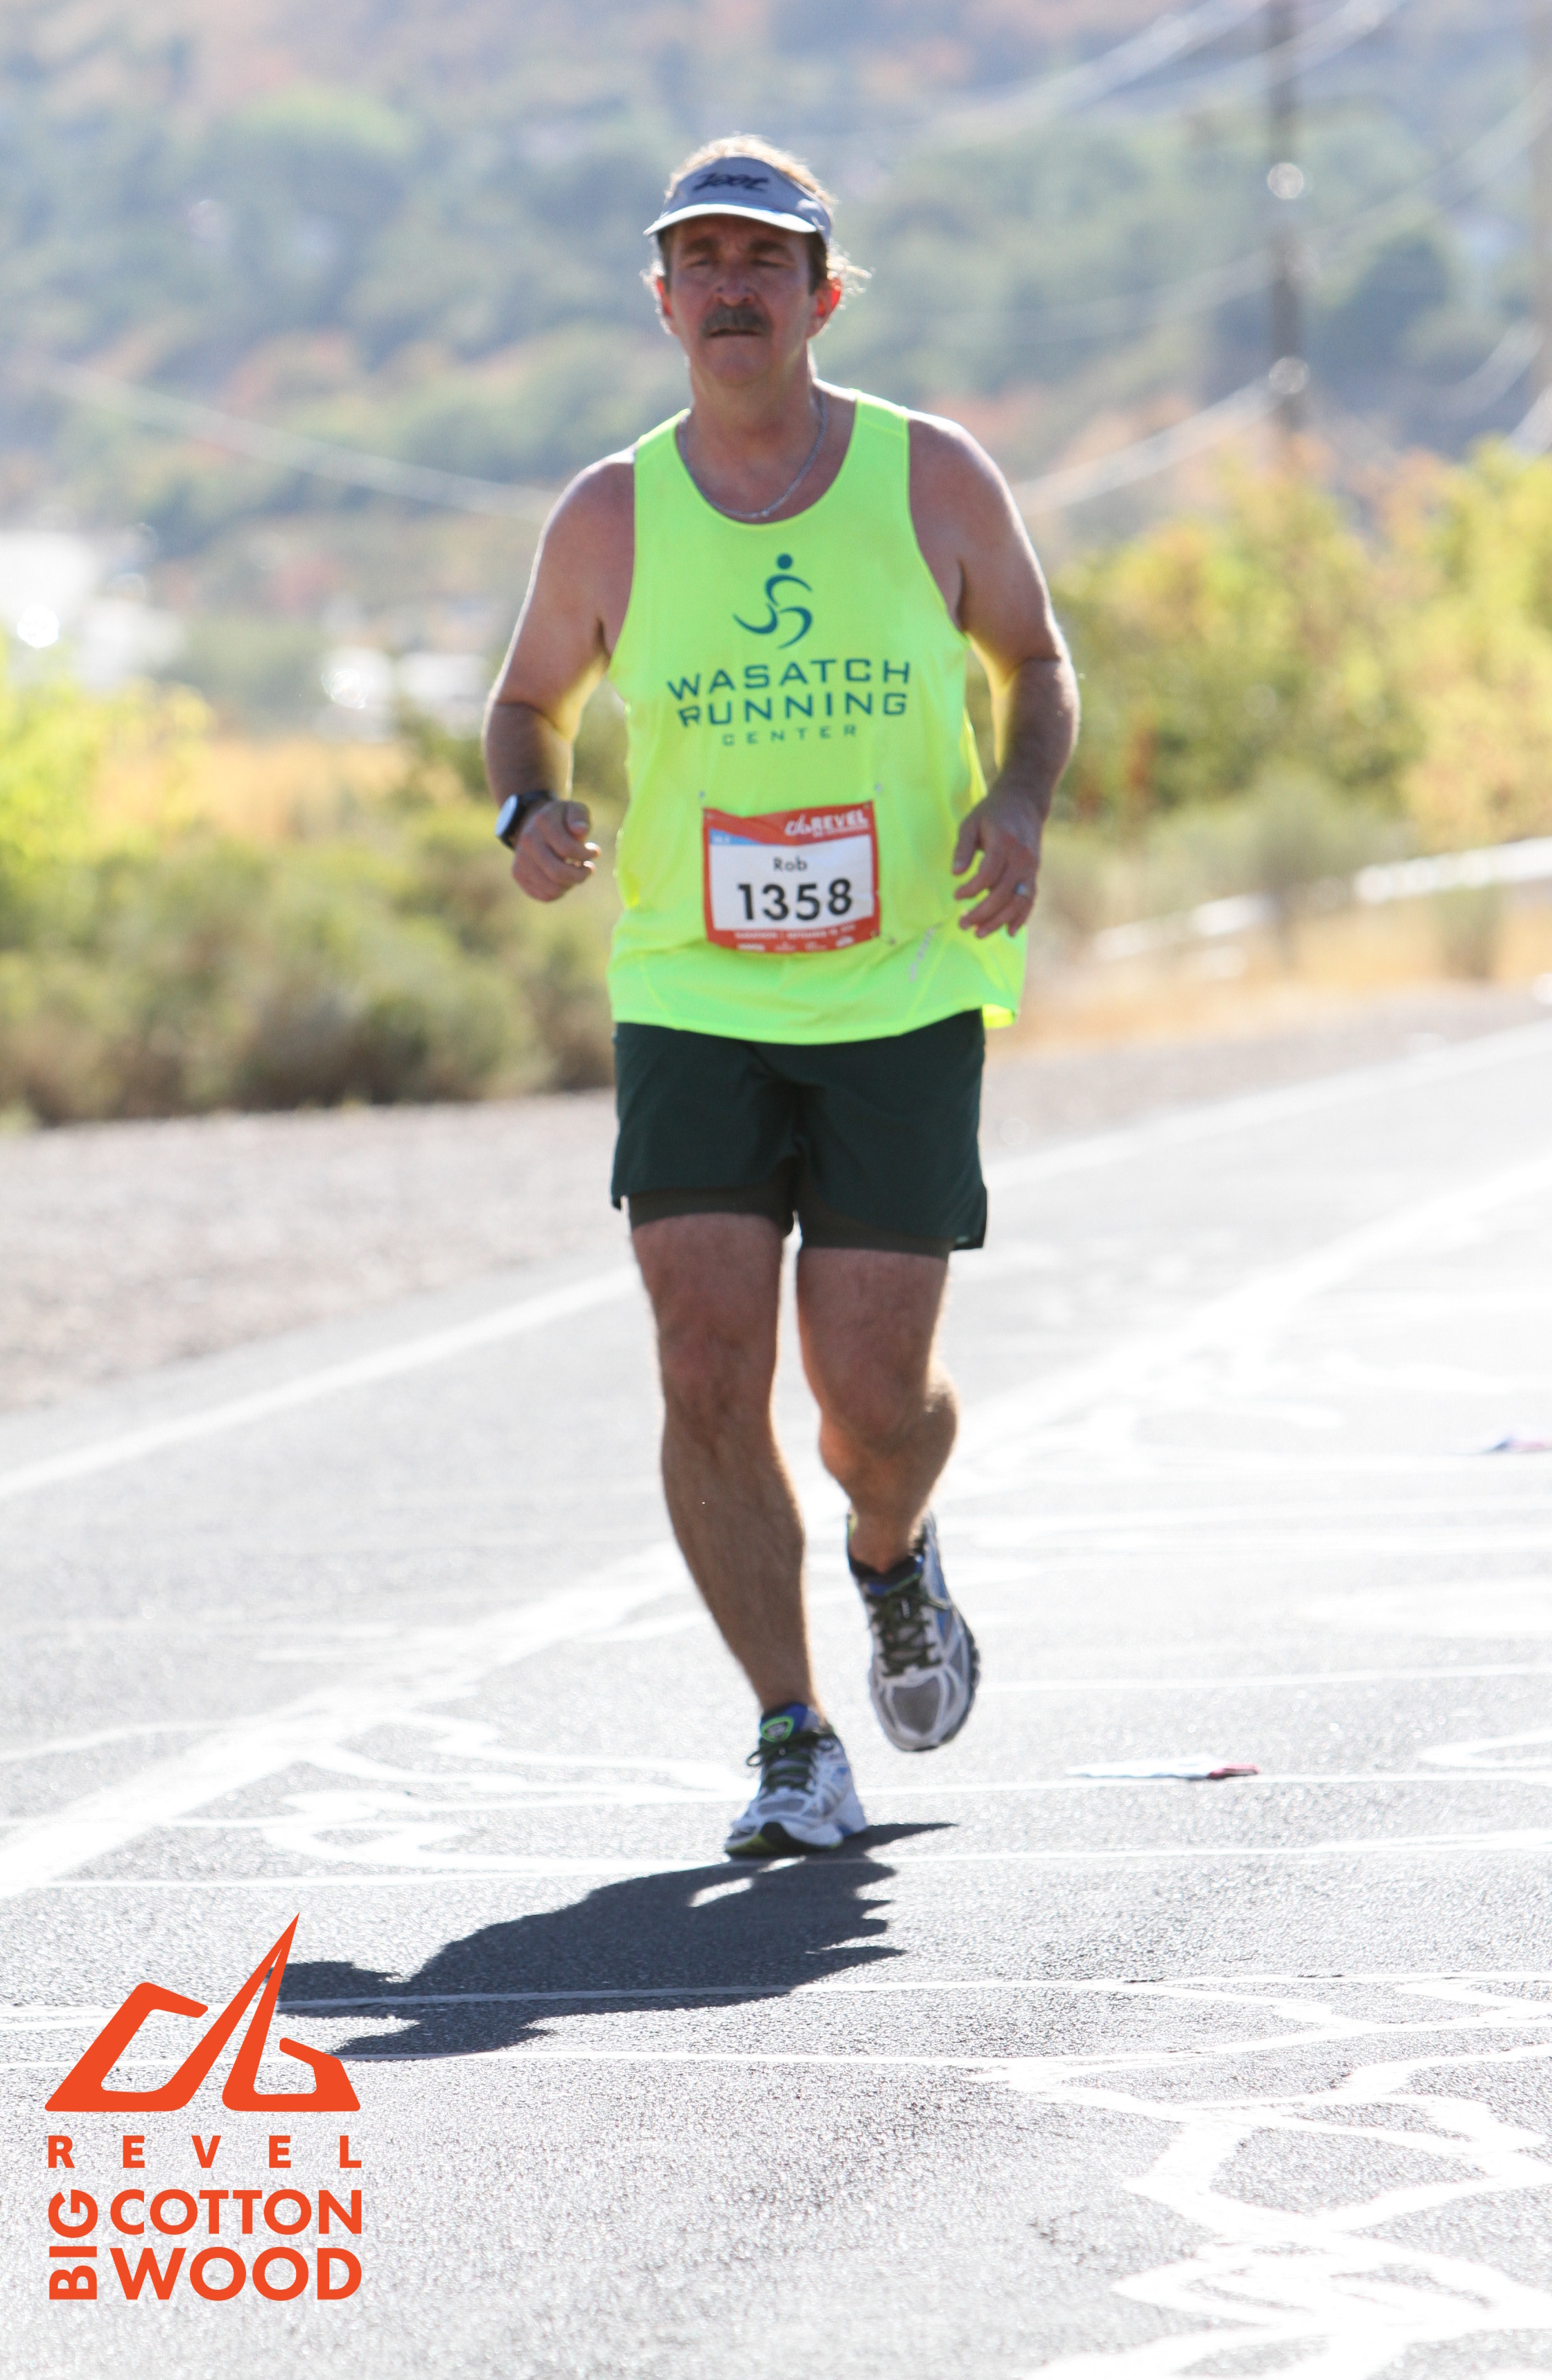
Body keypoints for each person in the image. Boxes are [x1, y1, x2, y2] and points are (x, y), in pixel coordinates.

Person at [485, 136, 1078, 1858]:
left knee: (874, 1409)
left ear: (823, 296)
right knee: (704, 1363)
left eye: (767, 260)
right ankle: (790, 1733)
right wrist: (529, 809)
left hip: (900, 990)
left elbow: (1034, 662)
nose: (732, 286)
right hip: (694, 991)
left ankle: (892, 1554)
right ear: (663, 300)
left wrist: (1018, 798)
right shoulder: (611, 514)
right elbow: (525, 706)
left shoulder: (930, 476)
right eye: (703, 260)